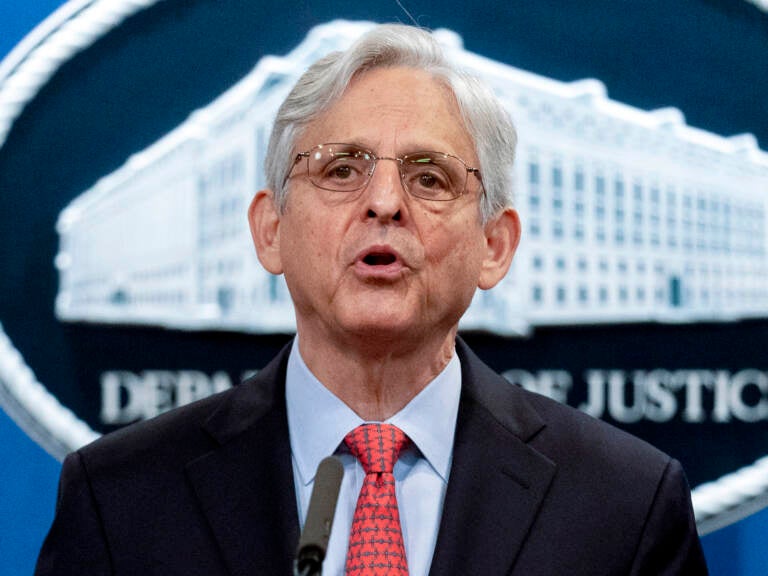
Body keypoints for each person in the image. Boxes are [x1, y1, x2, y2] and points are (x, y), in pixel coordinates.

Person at [35, 23, 708, 575]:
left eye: (429, 177)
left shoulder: (624, 504)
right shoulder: (120, 500)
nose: (384, 203)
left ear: (494, 246)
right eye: (341, 169)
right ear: (270, 230)